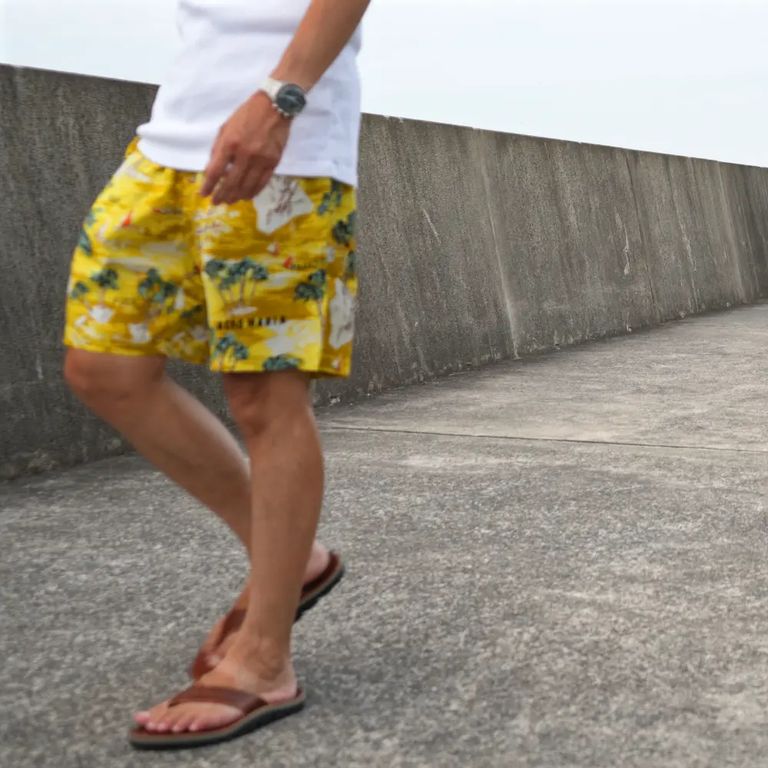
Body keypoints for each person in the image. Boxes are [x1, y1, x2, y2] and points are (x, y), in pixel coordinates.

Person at [62, 0, 371, 750]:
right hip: (169, 141)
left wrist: (280, 97)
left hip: (289, 147)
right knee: (104, 367)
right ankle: (292, 560)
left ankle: (265, 660)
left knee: (264, 397)